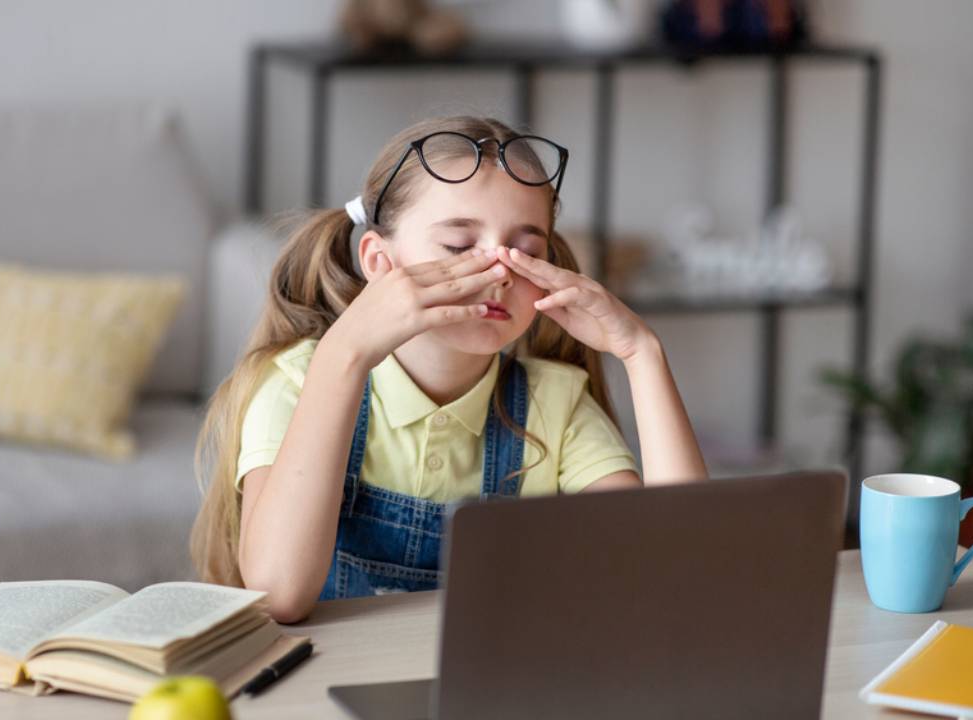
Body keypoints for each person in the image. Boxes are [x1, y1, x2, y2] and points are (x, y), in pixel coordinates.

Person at [190, 115, 707, 623]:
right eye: (459, 247)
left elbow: (673, 573)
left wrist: (643, 354)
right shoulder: (299, 381)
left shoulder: (556, 403)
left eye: (526, 251)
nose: (499, 272)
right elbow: (278, 593)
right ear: (379, 263)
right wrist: (343, 355)